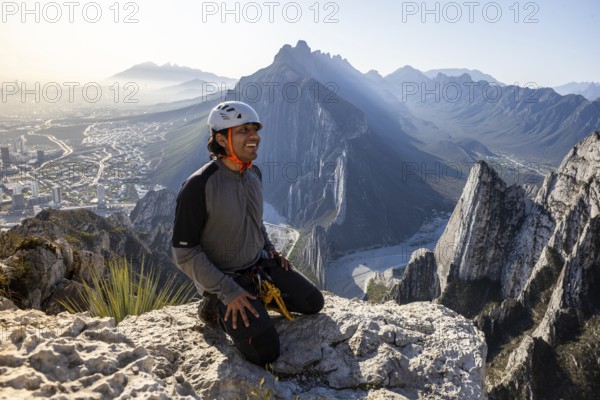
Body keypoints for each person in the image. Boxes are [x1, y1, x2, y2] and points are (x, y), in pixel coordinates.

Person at [172, 101, 324, 366]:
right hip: (225, 280)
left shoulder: (254, 173)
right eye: (243, 130)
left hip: (259, 265)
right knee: (265, 352)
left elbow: (255, 220)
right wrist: (227, 291)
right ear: (221, 138)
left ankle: (255, 301)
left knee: (313, 302)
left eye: (255, 129)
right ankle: (213, 308)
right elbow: (184, 253)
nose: (254, 136)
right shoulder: (199, 185)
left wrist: (270, 250)